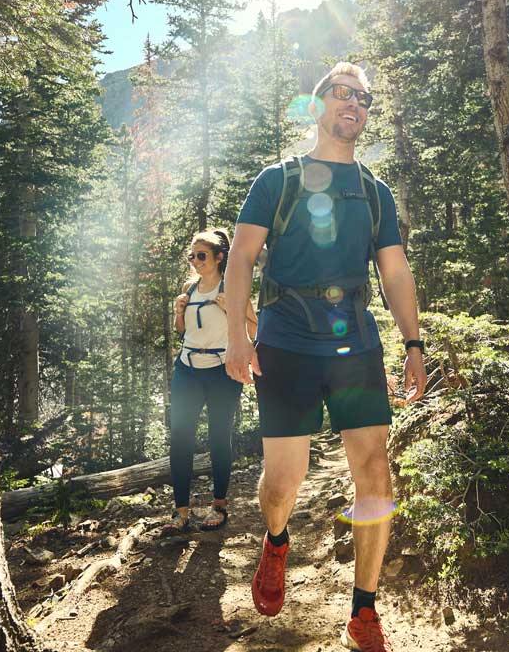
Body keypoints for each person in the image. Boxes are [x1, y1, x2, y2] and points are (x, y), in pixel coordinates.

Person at [224, 62, 427, 652]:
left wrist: (412, 343)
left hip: (356, 339)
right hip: (286, 338)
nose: (355, 105)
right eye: (343, 94)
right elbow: (239, 260)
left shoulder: (374, 191)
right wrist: (238, 334)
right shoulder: (277, 180)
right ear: (318, 106)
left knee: (375, 470)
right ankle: (277, 540)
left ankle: (364, 610)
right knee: (284, 480)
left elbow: (394, 270)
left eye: (364, 99)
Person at [162, 228, 258, 535]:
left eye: (201, 255)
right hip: (188, 369)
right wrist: (179, 313)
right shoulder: (190, 290)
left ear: (219, 257)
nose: (195, 261)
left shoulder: (234, 288)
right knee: (180, 439)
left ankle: (219, 506)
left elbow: (256, 329)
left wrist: (233, 309)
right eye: (191, 256)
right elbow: (183, 331)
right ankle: (181, 512)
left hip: (222, 370)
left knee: (219, 437)